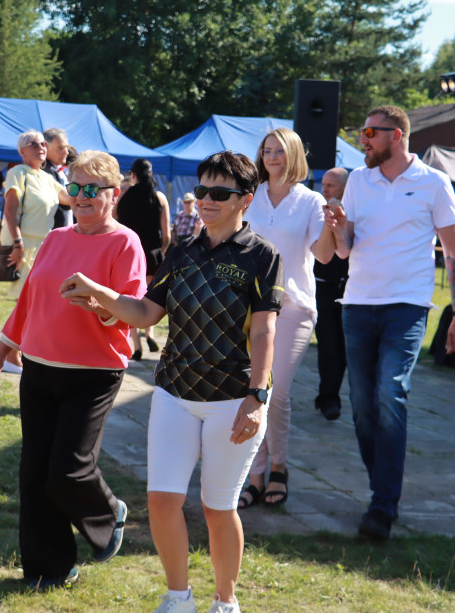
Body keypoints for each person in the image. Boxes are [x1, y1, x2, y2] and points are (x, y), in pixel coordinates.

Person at [62, 151, 282, 613]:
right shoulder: (182, 250)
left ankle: (225, 601)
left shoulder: (262, 256)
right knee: (161, 501)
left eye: (219, 193)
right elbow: (147, 312)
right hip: (174, 392)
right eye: (201, 190)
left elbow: (263, 332)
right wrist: (100, 295)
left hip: (232, 399)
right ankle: (178, 597)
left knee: (218, 507)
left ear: (247, 198)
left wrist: (257, 396)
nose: (205, 200)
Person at [0, 151, 145, 591]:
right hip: (39, 366)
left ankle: (109, 514)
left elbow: (133, 310)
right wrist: (3, 349)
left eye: (93, 189)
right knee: (34, 475)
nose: (82, 196)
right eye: (74, 187)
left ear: (114, 194)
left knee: (68, 470)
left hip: (93, 372)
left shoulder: (125, 242)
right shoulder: (56, 237)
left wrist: (100, 305)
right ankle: (48, 570)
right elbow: (30, 298)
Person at [324, 105, 455, 542]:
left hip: (407, 306)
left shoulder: (433, 182)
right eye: (361, 132)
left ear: (397, 136)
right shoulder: (359, 181)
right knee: (363, 407)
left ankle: (383, 505)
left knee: (390, 394)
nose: (362, 139)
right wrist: (340, 228)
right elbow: (346, 251)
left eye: (370, 132)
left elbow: (454, 254)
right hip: (357, 305)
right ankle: (382, 488)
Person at [239, 127, 330, 509]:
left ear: (293, 154)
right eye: (266, 150)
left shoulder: (311, 201)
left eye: (278, 151)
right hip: (249, 306)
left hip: (294, 307)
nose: (271, 157)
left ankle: (278, 467)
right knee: (251, 389)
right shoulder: (249, 196)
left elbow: (324, 256)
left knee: (277, 392)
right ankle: (255, 473)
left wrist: (335, 227)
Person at [0, 130, 70, 371]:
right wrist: (18, 244)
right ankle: (11, 355)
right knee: (27, 302)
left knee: (36, 302)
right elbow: (10, 211)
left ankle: (20, 351)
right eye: (34, 144)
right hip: (26, 246)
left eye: (43, 143)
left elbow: (70, 199)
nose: (40, 147)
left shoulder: (48, 178)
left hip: (45, 246)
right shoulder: (17, 173)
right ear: (22, 151)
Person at [116, 158, 170, 361]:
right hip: (154, 253)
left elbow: (115, 221)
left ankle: (136, 345)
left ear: (133, 175)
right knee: (151, 298)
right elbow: (167, 236)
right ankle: (150, 334)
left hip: (131, 253)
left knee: (132, 298)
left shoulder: (125, 195)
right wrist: (161, 251)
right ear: (151, 174)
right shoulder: (159, 197)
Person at [312, 167, 349, 421]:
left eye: (331, 185)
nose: (325, 190)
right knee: (328, 346)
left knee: (345, 348)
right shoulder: (317, 212)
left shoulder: (355, 214)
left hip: (351, 290)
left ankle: (332, 394)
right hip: (323, 288)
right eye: (323, 184)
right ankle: (328, 399)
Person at [43, 127, 73, 228]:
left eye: (66, 148)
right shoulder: (45, 171)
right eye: (60, 148)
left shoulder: (59, 170)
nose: (66, 152)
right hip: (52, 231)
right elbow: (66, 200)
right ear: (45, 147)